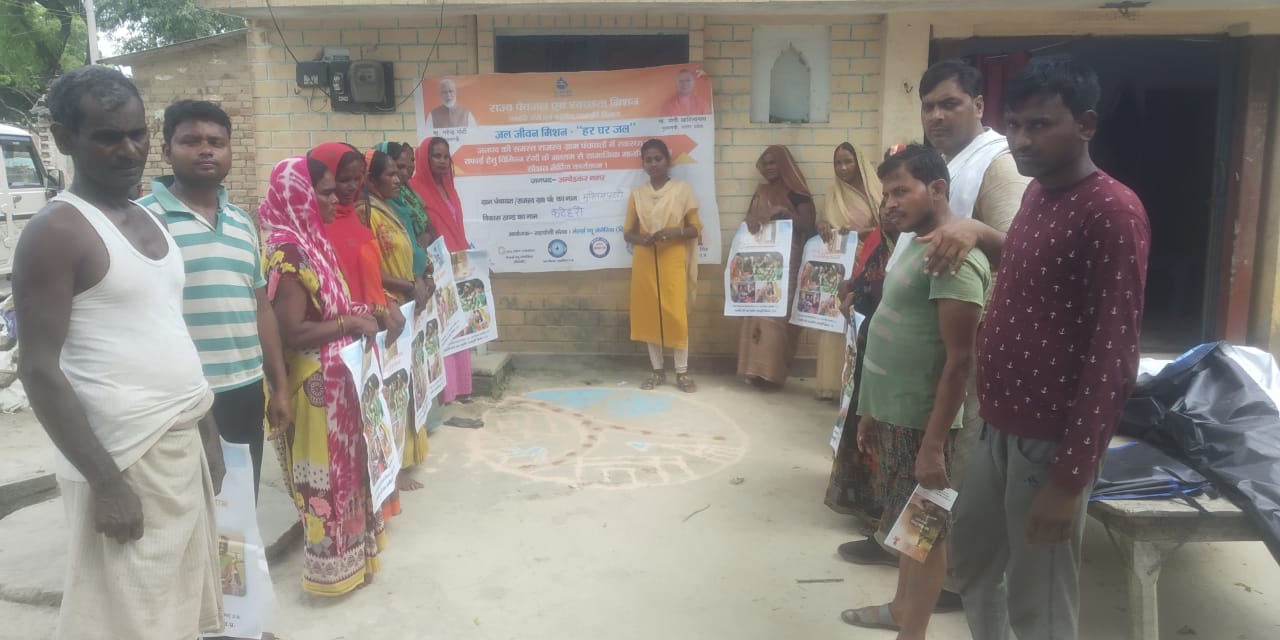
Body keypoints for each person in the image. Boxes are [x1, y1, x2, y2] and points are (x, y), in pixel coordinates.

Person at [14, 65, 224, 638]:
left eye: (137, 134)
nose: (129, 150)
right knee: (129, 622)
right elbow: (37, 369)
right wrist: (105, 482)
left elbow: (166, 330)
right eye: (108, 137)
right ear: (65, 138)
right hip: (125, 457)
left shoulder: (145, 216)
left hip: (180, 441)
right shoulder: (58, 232)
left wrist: (207, 432)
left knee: (178, 613)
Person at [951, 58, 1150, 640]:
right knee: (971, 557)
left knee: (1038, 599)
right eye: (1013, 124)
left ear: (1085, 125)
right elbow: (1031, 268)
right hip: (997, 422)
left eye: (1039, 125)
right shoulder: (1038, 193)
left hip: (1049, 437)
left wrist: (1068, 481)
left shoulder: (1112, 212)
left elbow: (1113, 356)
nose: (1020, 140)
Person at [838, 61, 1029, 588]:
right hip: (914, 366)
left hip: (958, 349)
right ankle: (903, 561)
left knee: (939, 475)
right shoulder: (935, 166)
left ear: (979, 105)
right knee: (909, 480)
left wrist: (974, 230)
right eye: (929, 106)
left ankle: (939, 585)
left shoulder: (998, 166)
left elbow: (1020, 255)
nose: (937, 115)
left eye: (951, 103)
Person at [841, 145, 990, 639]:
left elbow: (960, 361)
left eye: (901, 191)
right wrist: (870, 411)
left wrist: (933, 445)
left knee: (926, 533)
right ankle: (901, 609)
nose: (890, 204)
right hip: (896, 416)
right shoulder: (916, 243)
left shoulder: (953, 258)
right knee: (907, 529)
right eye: (886, 194)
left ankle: (913, 631)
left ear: (937, 188)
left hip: (925, 425)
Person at [138, 99, 292, 498]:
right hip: (180, 397)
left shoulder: (241, 221)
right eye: (191, 141)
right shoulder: (141, 219)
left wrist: (279, 386)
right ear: (166, 151)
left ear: (229, 151)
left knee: (239, 504)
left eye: (216, 142)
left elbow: (261, 309)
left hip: (244, 389)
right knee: (185, 504)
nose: (206, 150)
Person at [260, 155, 386, 596]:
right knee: (327, 483)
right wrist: (351, 324)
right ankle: (330, 572)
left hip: (338, 380)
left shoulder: (311, 241)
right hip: (315, 388)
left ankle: (354, 560)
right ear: (299, 197)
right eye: (326, 192)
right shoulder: (288, 253)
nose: (336, 200)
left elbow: (332, 306)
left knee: (349, 476)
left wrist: (367, 313)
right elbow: (292, 331)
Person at [359, 147, 433, 489]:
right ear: (371, 181)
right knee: (390, 390)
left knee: (406, 387)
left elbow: (411, 251)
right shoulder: (367, 214)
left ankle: (405, 458)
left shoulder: (392, 207)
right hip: (387, 310)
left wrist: (421, 278)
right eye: (389, 174)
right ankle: (392, 469)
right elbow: (370, 269)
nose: (398, 179)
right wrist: (409, 285)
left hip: (407, 303)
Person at [622, 139, 703, 392]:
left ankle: (682, 372)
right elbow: (628, 233)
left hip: (673, 259)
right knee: (650, 314)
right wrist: (641, 239)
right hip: (645, 260)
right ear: (643, 164)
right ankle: (657, 371)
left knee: (676, 315)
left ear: (667, 161)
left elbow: (695, 229)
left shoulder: (682, 190)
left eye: (658, 158)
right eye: (648, 159)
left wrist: (676, 232)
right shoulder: (637, 195)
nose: (653, 164)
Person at [308, 142, 407, 341]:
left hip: (376, 328)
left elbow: (370, 275)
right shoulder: (317, 231)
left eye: (357, 178)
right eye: (344, 180)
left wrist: (388, 302)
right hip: (345, 335)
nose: (353, 186)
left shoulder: (355, 216)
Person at [737, 145, 816, 389]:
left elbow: (809, 226)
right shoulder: (760, 192)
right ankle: (754, 371)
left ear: (784, 164)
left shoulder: (798, 194)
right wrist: (751, 221)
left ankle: (773, 374)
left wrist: (785, 213)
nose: (769, 167)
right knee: (756, 313)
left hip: (786, 264)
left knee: (777, 316)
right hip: (759, 264)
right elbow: (749, 220)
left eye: (773, 162)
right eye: (765, 163)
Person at [814, 143, 882, 401]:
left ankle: (860, 386)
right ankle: (832, 384)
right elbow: (823, 222)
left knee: (861, 321)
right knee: (834, 320)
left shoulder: (877, 191)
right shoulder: (833, 195)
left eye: (847, 162)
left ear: (859, 163)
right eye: (838, 163)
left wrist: (865, 233)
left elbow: (889, 225)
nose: (842, 168)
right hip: (841, 263)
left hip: (871, 263)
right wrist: (822, 225)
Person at [409, 136, 473, 404]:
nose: (442, 161)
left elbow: (457, 227)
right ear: (424, 158)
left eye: (446, 156)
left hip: (457, 265)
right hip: (435, 269)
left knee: (459, 324)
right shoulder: (414, 190)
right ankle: (446, 392)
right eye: (436, 156)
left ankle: (462, 387)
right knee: (443, 328)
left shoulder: (450, 187)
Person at [374, 141, 436, 274]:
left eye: (407, 166)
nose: (404, 172)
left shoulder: (406, 193)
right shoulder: (381, 206)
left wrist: (427, 235)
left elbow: (428, 224)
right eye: (399, 167)